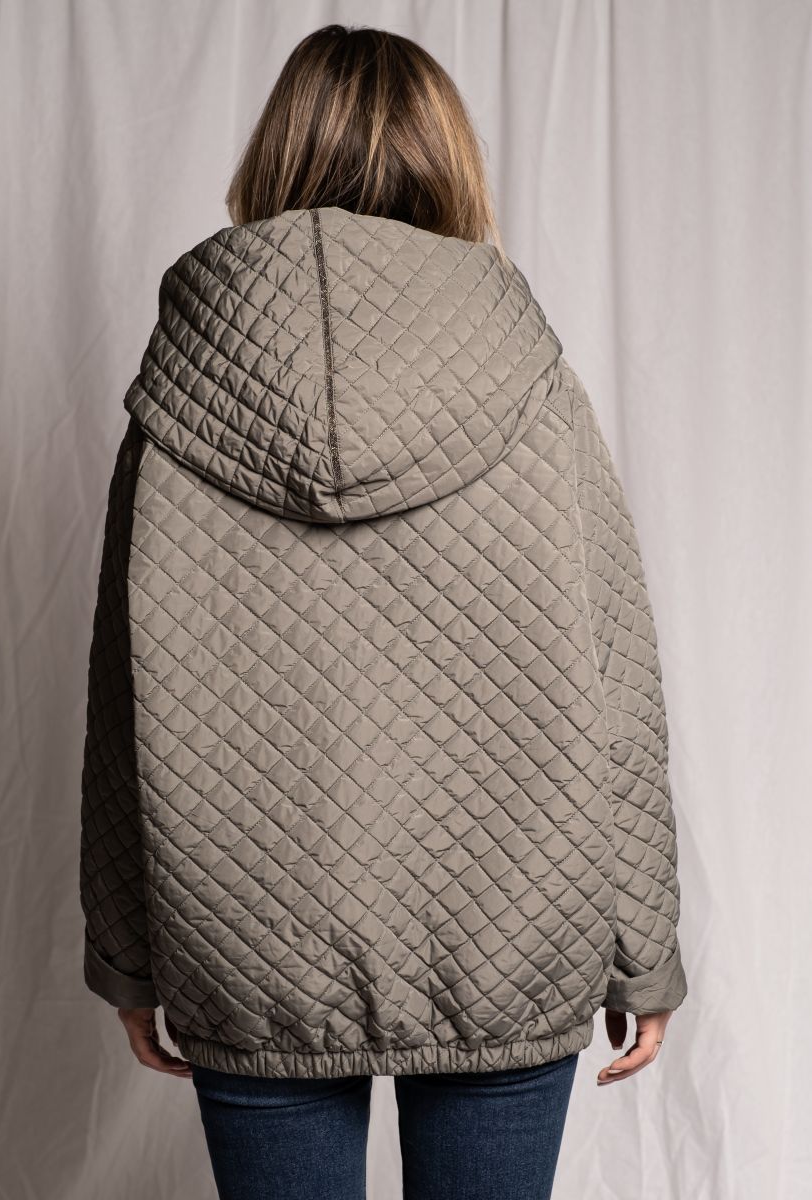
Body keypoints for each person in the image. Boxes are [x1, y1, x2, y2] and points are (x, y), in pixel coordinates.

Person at [78, 22, 688, 1200]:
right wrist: (640, 948)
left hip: (245, 933)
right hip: (512, 922)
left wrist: (129, 950)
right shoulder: (529, 378)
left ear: (276, 153)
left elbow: (123, 692)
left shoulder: (182, 383)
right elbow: (616, 680)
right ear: (448, 158)